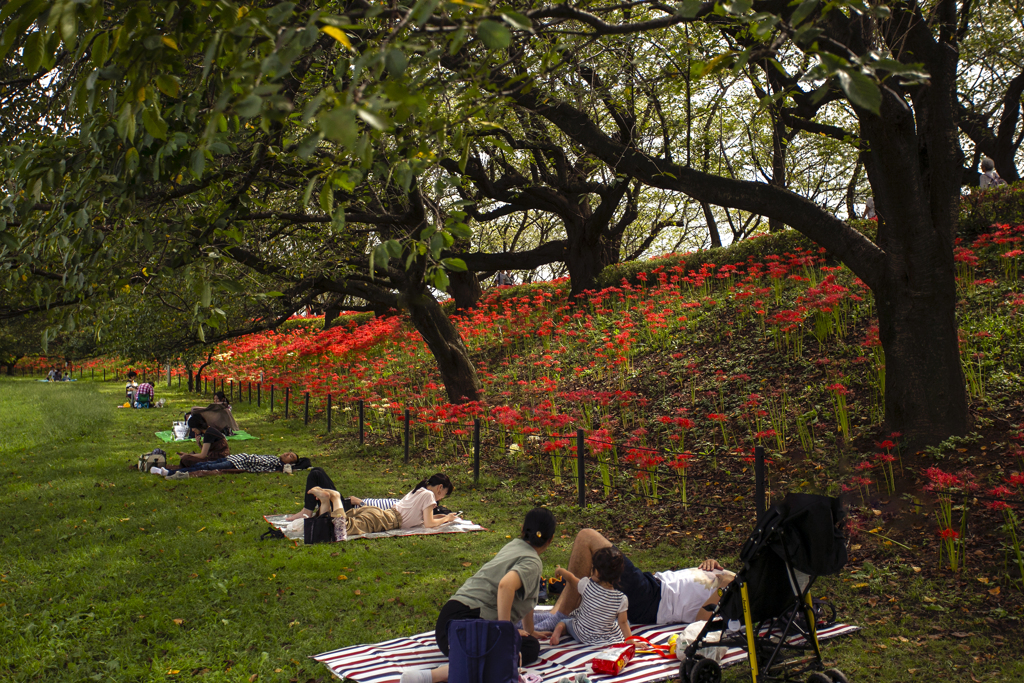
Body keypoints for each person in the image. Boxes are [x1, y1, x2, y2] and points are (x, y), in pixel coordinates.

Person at [400, 507, 556, 683]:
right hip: (465, 625)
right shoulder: (533, 562)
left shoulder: (514, 545)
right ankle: (436, 675)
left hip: (447, 625)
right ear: (550, 540)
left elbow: (527, 597)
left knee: (527, 643)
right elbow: (506, 586)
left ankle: (454, 667)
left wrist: (530, 630)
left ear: (522, 529)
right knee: (528, 648)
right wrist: (505, 631)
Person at [534, 529, 735, 630]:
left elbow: (702, 621)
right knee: (588, 552)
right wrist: (711, 566)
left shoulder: (738, 595)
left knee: (587, 537)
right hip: (654, 584)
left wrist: (722, 585)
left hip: (653, 600)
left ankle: (559, 616)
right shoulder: (738, 579)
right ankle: (555, 614)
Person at [306, 474, 458, 538]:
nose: (441, 498)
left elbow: (426, 518)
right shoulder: (429, 495)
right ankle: (335, 498)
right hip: (383, 520)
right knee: (340, 530)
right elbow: (429, 523)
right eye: (443, 494)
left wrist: (443, 517)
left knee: (326, 530)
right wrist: (447, 519)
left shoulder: (419, 490)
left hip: (379, 514)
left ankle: (325, 502)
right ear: (439, 488)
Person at [548, 546, 631, 646]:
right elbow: (623, 623)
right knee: (626, 622)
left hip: (581, 633)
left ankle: (559, 629)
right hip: (604, 638)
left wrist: (560, 571)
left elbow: (571, 578)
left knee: (564, 622)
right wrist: (631, 642)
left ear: (597, 572)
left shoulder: (586, 585)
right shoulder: (621, 599)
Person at [283, 467, 426, 521]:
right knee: (317, 472)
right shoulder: (406, 501)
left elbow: (381, 514)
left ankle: (307, 511)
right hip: (350, 504)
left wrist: (360, 502)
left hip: (350, 510)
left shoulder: (406, 510)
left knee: (316, 473)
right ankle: (312, 508)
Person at [152, 452, 298, 479]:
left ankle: (169, 473)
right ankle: (170, 471)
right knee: (205, 464)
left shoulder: (275, 464)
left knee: (206, 467)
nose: (287, 454)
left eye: (290, 456)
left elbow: (256, 465)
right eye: (289, 452)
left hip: (237, 462)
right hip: (234, 458)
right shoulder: (273, 457)